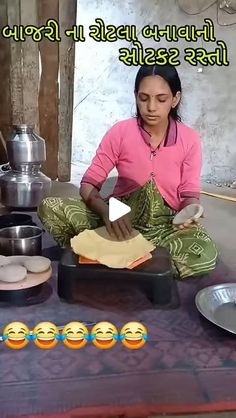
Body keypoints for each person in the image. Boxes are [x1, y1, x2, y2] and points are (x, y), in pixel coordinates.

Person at [38, 64, 218, 279]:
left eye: (161, 99)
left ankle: (110, 257)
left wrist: (190, 211)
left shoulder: (189, 139)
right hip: (119, 219)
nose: (151, 107)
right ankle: (143, 263)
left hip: (166, 226)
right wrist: (106, 212)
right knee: (49, 207)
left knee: (205, 255)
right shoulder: (121, 132)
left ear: (175, 99)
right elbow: (89, 183)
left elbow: (189, 192)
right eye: (143, 98)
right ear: (135, 96)